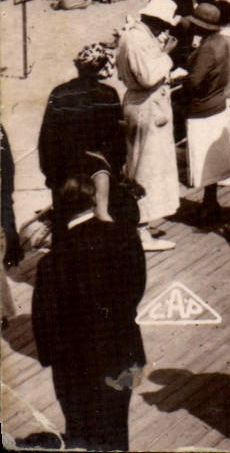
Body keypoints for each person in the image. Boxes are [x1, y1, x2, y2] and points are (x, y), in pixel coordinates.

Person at [32, 175, 146, 452]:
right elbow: (136, 288)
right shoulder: (126, 238)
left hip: (75, 366)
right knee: (117, 428)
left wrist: (51, 358)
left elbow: (44, 320)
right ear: (93, 200)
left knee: (82, 432)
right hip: (124, 353)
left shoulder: (52, 261)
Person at [115, 0, 182, 251]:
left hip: (144, 104)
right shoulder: (137, 39)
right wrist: (166, 57)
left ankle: (141, 221)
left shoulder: (135, 36)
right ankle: (140, 227)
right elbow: (147, 77)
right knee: (146, 167)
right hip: (146, 106)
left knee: (145, 164)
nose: (164, 30)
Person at [38, 45, 127, 218]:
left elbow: (47, 137)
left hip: (64, 166)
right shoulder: (108, 94)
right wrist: (116, 168)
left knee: (63, 217)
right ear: (101, 69)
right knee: (101, 215)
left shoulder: (59, 93)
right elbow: (116, 137)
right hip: (98, 167)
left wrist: (50, 172)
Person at [182, 3, 230, 227]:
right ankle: (210, 200)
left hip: (202, 107)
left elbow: (195, 81)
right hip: (218, 102)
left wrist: (185, 78)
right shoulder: (221, 41)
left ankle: (208, 207)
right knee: (214, 157)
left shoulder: (206, 48)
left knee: (202, 157)